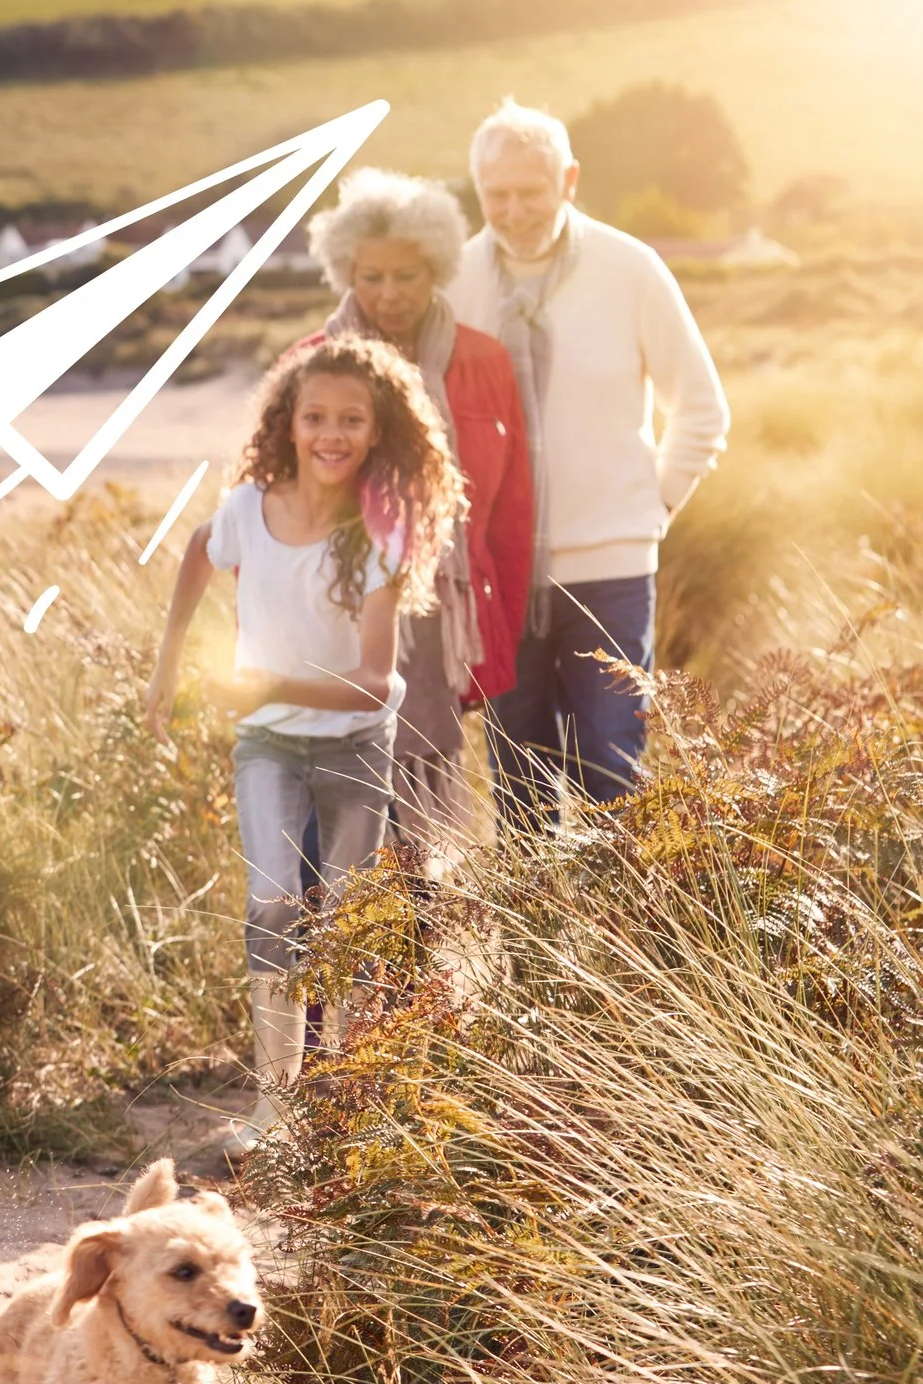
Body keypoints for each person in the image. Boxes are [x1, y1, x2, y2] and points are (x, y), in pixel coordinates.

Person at [143, 339, 465, 1155]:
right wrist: (170, 661)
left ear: (377, 428)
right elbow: (196, 551)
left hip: (356, 744)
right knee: (273, 904)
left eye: (351, 419)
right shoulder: (250, 507)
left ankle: (346, 1099)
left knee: (347, 921)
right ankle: (275, 1106)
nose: (331, 432)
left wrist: (273, 686)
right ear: (286, 422)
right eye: (314, 415)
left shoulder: (380, 533)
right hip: (268, 746)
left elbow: (371, 681)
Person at [447, 97, 731, 829]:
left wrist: (648, 511)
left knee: (616, 771)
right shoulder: (453, 280)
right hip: (499, 582)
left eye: (529, 192)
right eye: (495, 196)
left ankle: (628, 937)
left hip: (610, 573)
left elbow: (702, 408)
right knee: (518, 785)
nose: (512, 210)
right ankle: (540, 943)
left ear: (569, 179)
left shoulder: (630, 268)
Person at [298, 168, 535, 865]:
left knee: (427, 832)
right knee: (337, 820)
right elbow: (272, 507)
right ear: (346, 272)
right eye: (370, 276)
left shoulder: (483, 363)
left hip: (442, 629)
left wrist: (495, 635)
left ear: (435, 269)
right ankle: (336, 963)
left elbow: (511, 515)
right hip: (333, 630)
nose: (389, 293)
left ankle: (428, 964)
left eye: (406, 275)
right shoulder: (310, 366)